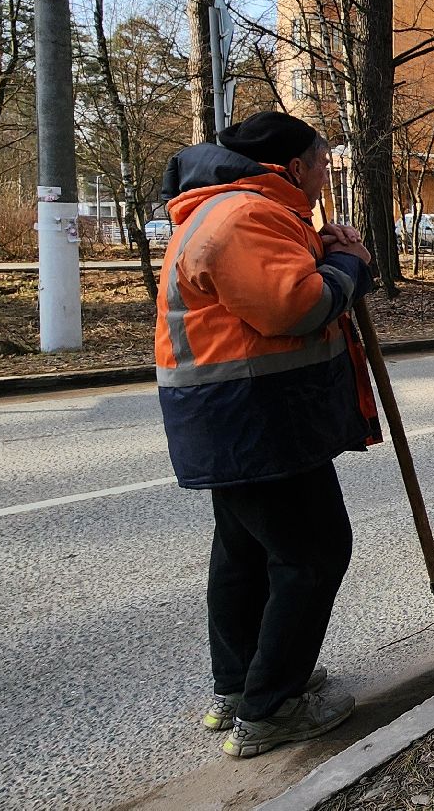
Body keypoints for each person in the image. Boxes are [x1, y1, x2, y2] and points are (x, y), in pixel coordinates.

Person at [154, 111, 379, 759]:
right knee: (314, 553)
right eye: (321, 166)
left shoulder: (235, 209)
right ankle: (272, 708)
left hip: (237, 417)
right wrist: (347, 263)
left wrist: (326, 250)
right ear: (292, 167)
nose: (324, 179)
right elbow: (297, 305)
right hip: (255, 418)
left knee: (246, 553)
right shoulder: (243, 216)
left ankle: (240, 687)